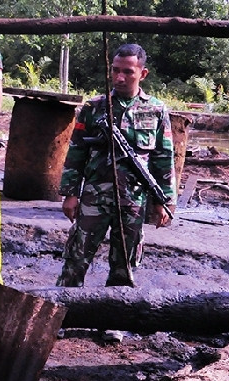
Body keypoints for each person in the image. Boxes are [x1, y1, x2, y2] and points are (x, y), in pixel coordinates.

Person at [56, 43, 176, 288]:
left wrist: (164, 201)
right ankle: (63, 314)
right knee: (75, 260)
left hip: (134, 198)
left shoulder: (156, 110)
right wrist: (70, 193)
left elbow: (164, 157)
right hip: (94, 196)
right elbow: (76, 151)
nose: (120, 77)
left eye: (128, 72)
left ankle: (114, 321)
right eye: (115, 70)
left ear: (142, 74)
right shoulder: (94, 107)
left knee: (125, 266)